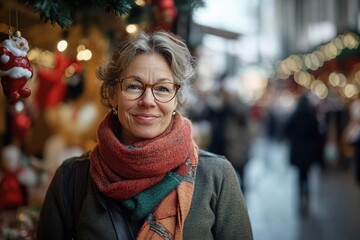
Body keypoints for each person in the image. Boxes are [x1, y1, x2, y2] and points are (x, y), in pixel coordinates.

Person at [36, 31, 253, 240]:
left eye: (162, 89)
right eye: (133, 86)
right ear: (112, 95)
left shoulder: (217, 177)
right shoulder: (72, 178)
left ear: (176, 99)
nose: (148, 100)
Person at [283, 93, 321, 216]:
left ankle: (301, 196)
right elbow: (317, 134)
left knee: (300, 176)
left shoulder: (294, 116)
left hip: (298, 151)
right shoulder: (311, 116)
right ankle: (307, 195)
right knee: (307, 176)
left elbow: (286, 130)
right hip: (309, 151)